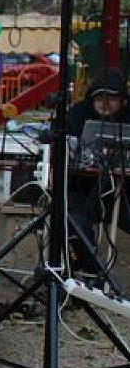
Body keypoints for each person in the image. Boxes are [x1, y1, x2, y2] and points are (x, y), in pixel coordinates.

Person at [66, 67, 130, 244]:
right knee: (73, 220)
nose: (105, 103)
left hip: (124, 191)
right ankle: (88, 260)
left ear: (123, 101)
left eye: (112, 98)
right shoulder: (78, 114)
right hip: (83, 189)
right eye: (100, 98)